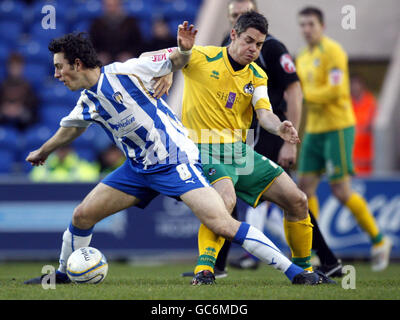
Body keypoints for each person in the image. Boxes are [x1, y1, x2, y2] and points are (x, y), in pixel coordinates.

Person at [23, 23, 326, 286]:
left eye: (59, 66)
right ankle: (64, 273)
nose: (56, 73)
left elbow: (175, 59)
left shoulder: (127, 71)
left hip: (174, 159)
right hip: (137, 169)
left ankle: (294, 271)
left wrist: (181, 51)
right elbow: (71, 129)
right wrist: (43, 151)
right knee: (82, 215)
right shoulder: (87, 101)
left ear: (76, 64)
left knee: (222, 222)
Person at [177, 11, 332, 285]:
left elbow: (265, 114)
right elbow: (172, 61)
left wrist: (280, 127)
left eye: (259, 45)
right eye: (249, 41)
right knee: (223, 201)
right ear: (234, 34)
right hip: (204, 148)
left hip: (239, 152)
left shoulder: (257, 75)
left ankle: (304, 270)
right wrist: (177, 57)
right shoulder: (202, 56)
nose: (253, 49)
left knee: (298, 200)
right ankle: (205, 271)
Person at [295, 7, 391, 271]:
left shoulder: (334, 51)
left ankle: (379, 240)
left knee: (340, 190)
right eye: (302, 25)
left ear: (322, 25)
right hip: (314, 129)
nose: (306, 29)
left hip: (338, 127)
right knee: (304, 188)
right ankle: (315, 248)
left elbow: (336, 91)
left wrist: (304, 94)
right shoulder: (302, 57)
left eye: (310, 24)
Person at [89, 0, 144, 64]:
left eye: (114, 5)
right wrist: (99, 54)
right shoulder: (97, 23)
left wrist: (130, 54)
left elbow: (138, 44)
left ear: (120, 6)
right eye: (109, 6)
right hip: (104, 58)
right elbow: (92, 44)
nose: (112, 9)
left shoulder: (131, 22)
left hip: (125, 58)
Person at [0, 52, 39, 131]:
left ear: (22, 67)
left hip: (22, 127)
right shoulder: (2, 86)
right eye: (13, 66)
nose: (15, 69)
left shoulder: (28, 87)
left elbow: (34, 112)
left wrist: (20, 111)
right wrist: (4, 110)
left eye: (17, 66)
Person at [350, 74, 377, 176]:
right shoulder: (347, 102)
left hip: (367, 157)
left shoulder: (370, 102)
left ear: (362, 86)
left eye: (357, 84)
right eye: (352, 84)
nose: (354, 87)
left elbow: (370, 125)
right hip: (352, 156)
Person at [29, 145, 100, 182]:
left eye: (64, 148)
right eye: (59, 148)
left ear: (71, 149)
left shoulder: (86, 169)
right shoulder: (41, 168)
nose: (61, 152)